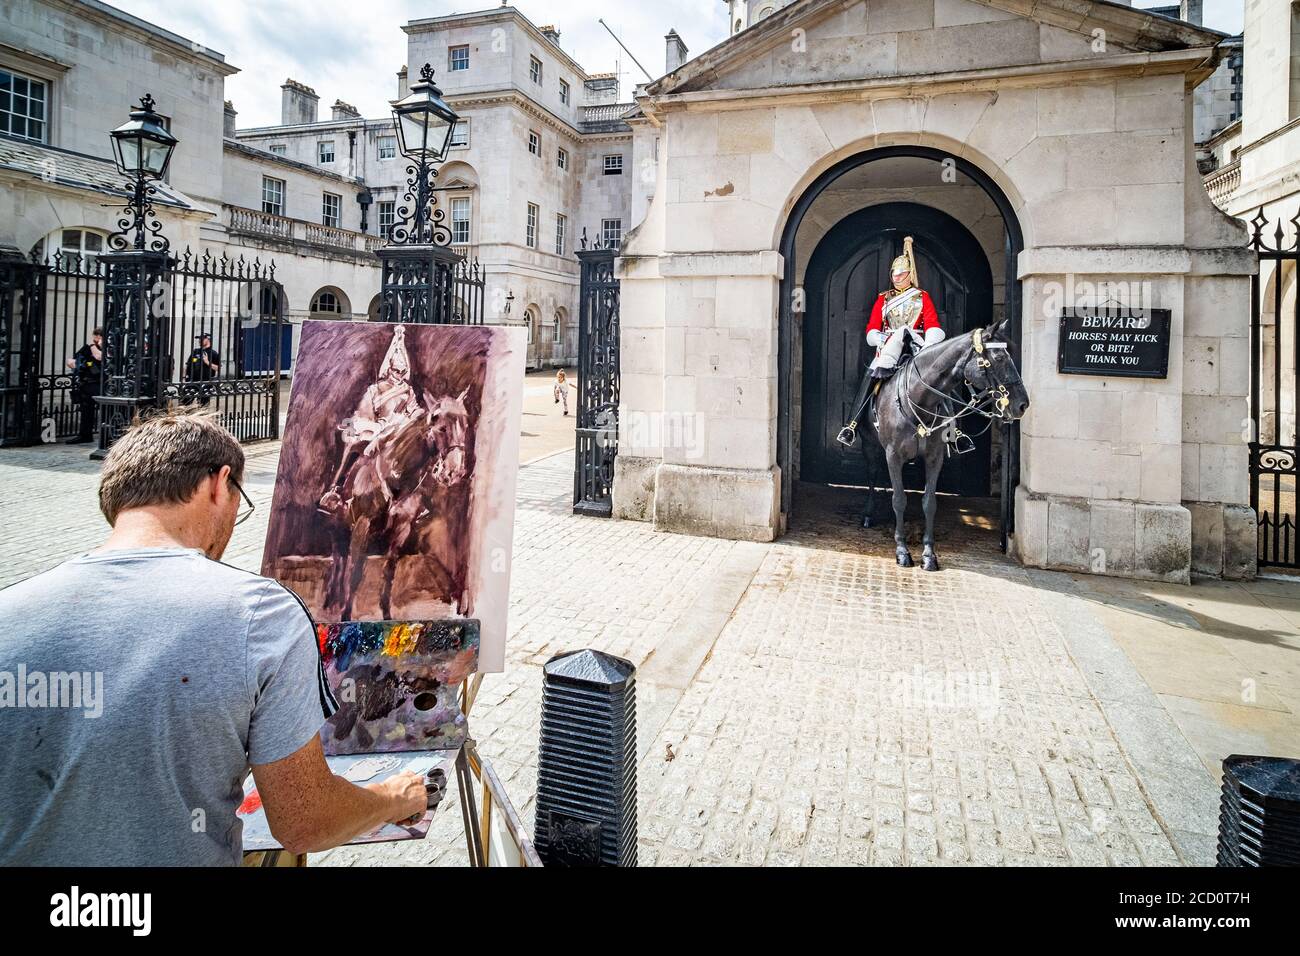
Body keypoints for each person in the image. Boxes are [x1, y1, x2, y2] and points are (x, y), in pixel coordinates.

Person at [0, 412, 427, 865]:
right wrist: (391, 798)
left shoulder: (10, 610)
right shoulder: (262, 615)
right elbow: (306, 821)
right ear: (219, 484)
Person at [837, 236, 946, 445]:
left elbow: (932, 324)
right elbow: (872, 328)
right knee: (871, 378)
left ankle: (955, 433)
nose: (896, 277)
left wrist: (929, 344)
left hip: (915, 347)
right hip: (888, 348)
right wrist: (881, 337)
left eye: (902, 273)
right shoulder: (883, 298)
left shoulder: (922, 297)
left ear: (910, 274)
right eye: (894, 274)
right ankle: (852, 425)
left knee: (938, 380)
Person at [319, 324, 423, 515]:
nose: (399, 375)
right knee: (355, 446)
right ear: (389, 368)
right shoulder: (374, 389)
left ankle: (416, 495)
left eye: (402, 371)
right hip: (377, 427)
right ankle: (337, 488)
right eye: (396, 370)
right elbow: (363, 413)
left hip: (399, 429)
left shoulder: (408, 391)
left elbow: (414, 410)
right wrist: (377, 426)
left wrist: (415, 416)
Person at [64, 327, 103, 444]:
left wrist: (93, 346)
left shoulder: (109, 348)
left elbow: (99, 357)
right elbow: (71, 360)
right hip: (86, 383)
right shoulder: (86, 348)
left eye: (99, 336)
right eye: (95, 336)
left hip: (100, 385)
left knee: (105, 409)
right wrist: (73, 363)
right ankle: (85, 435)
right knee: (86, 410)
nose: (96, 339)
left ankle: (108, 436)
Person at [185, 332, 220, 406]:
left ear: (208, 339)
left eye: (203, 338)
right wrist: (184, 377)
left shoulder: (213, 353)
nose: (200, 340)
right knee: (185, 402)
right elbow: (188, 365)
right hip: (192, 381)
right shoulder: (195, 351)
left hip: (205, 382)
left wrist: (207, 362)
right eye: (199, 338)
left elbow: (218, 368)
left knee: (203, 405)